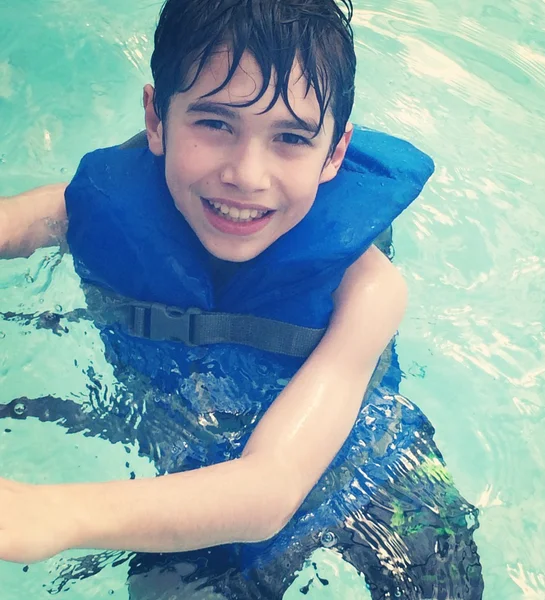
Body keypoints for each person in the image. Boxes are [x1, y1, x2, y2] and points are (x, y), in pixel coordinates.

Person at [0, 0, 484, 598]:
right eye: (215, 124)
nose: (247, 176)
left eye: (290, 138)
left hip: (375, 473)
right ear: (157, 118)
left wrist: (50, 513)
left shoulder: (367, 291)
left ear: (334, 153)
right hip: (197, 479)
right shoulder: (88, 209)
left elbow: (268, 487)